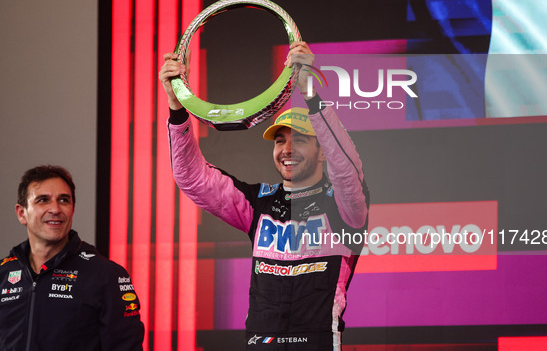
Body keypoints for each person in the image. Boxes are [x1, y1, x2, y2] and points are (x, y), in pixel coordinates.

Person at [159, 42, 369, 350]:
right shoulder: (258, 202)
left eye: (299, 140)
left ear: (322, 151)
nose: (286, 149)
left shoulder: (344, 205)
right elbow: (192, 178)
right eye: (280, 141)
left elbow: (346, 168)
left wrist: (310, 94)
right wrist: (177, 108)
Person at [0, 165, 144, 351]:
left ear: (72, 209)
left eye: (63, 200)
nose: (55, 209)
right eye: (43, 200)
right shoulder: (4, 274)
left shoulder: (106, 275)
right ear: (22, 213)